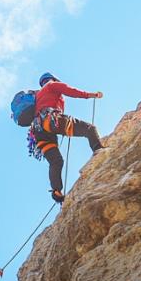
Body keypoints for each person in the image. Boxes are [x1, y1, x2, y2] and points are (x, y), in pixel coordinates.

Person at [28, 72, 103, 203]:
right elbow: (71, 91)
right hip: (51, 120)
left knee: (56, 161)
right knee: (90, 129)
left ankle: (56, 191)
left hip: (38, 132)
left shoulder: (37, 96)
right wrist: (92, 95)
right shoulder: (52, 85)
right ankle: (100, 153)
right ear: (53, 78)